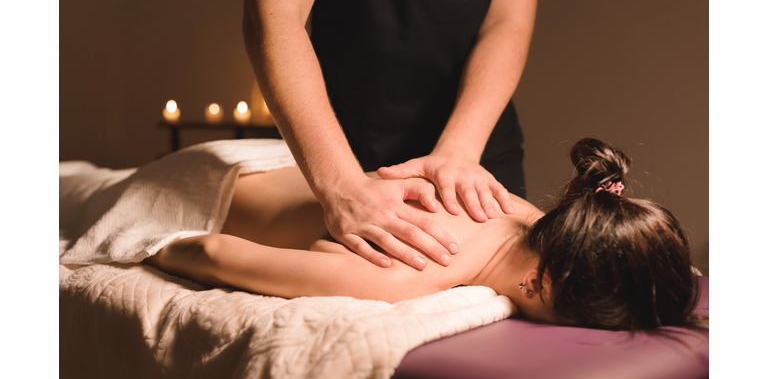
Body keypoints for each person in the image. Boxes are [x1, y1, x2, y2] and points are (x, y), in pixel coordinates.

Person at [145, 138, 704, 330]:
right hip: (196, 183)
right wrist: (149, 248)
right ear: (540, 284)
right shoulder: (406, 270)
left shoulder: (530, 213)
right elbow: (207, 250)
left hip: (276, 159)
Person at [226, 0, 556, 271]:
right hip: (343, 141)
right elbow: (275, 13)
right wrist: (342, 187)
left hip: (474, 145)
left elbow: (507, 22)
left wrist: (459, 150)